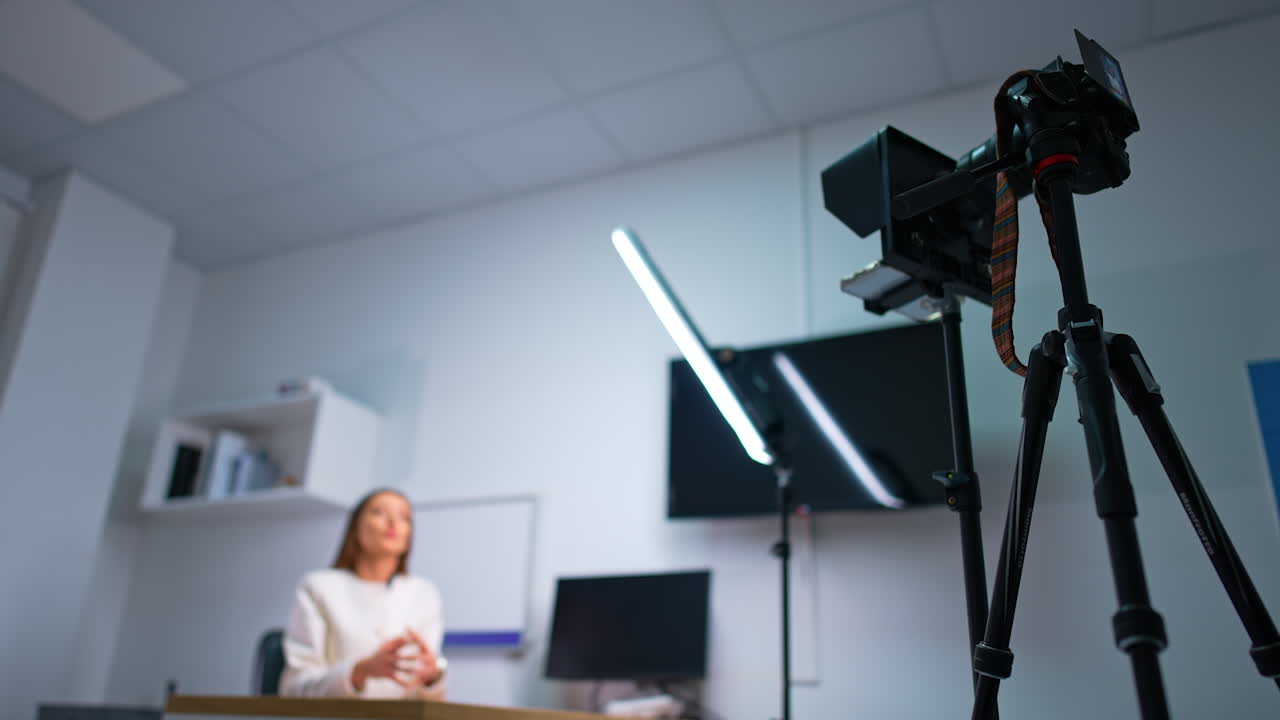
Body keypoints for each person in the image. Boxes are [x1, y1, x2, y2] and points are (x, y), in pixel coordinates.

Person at [280, 488, 448, 699]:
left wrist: (431, 678)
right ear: (355, 527)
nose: (393, 523)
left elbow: (428, 701)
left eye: (404, 517)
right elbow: (294, 689)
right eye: (379, 512)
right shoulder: (318, 587)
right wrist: (359, 672)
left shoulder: (424, 593)